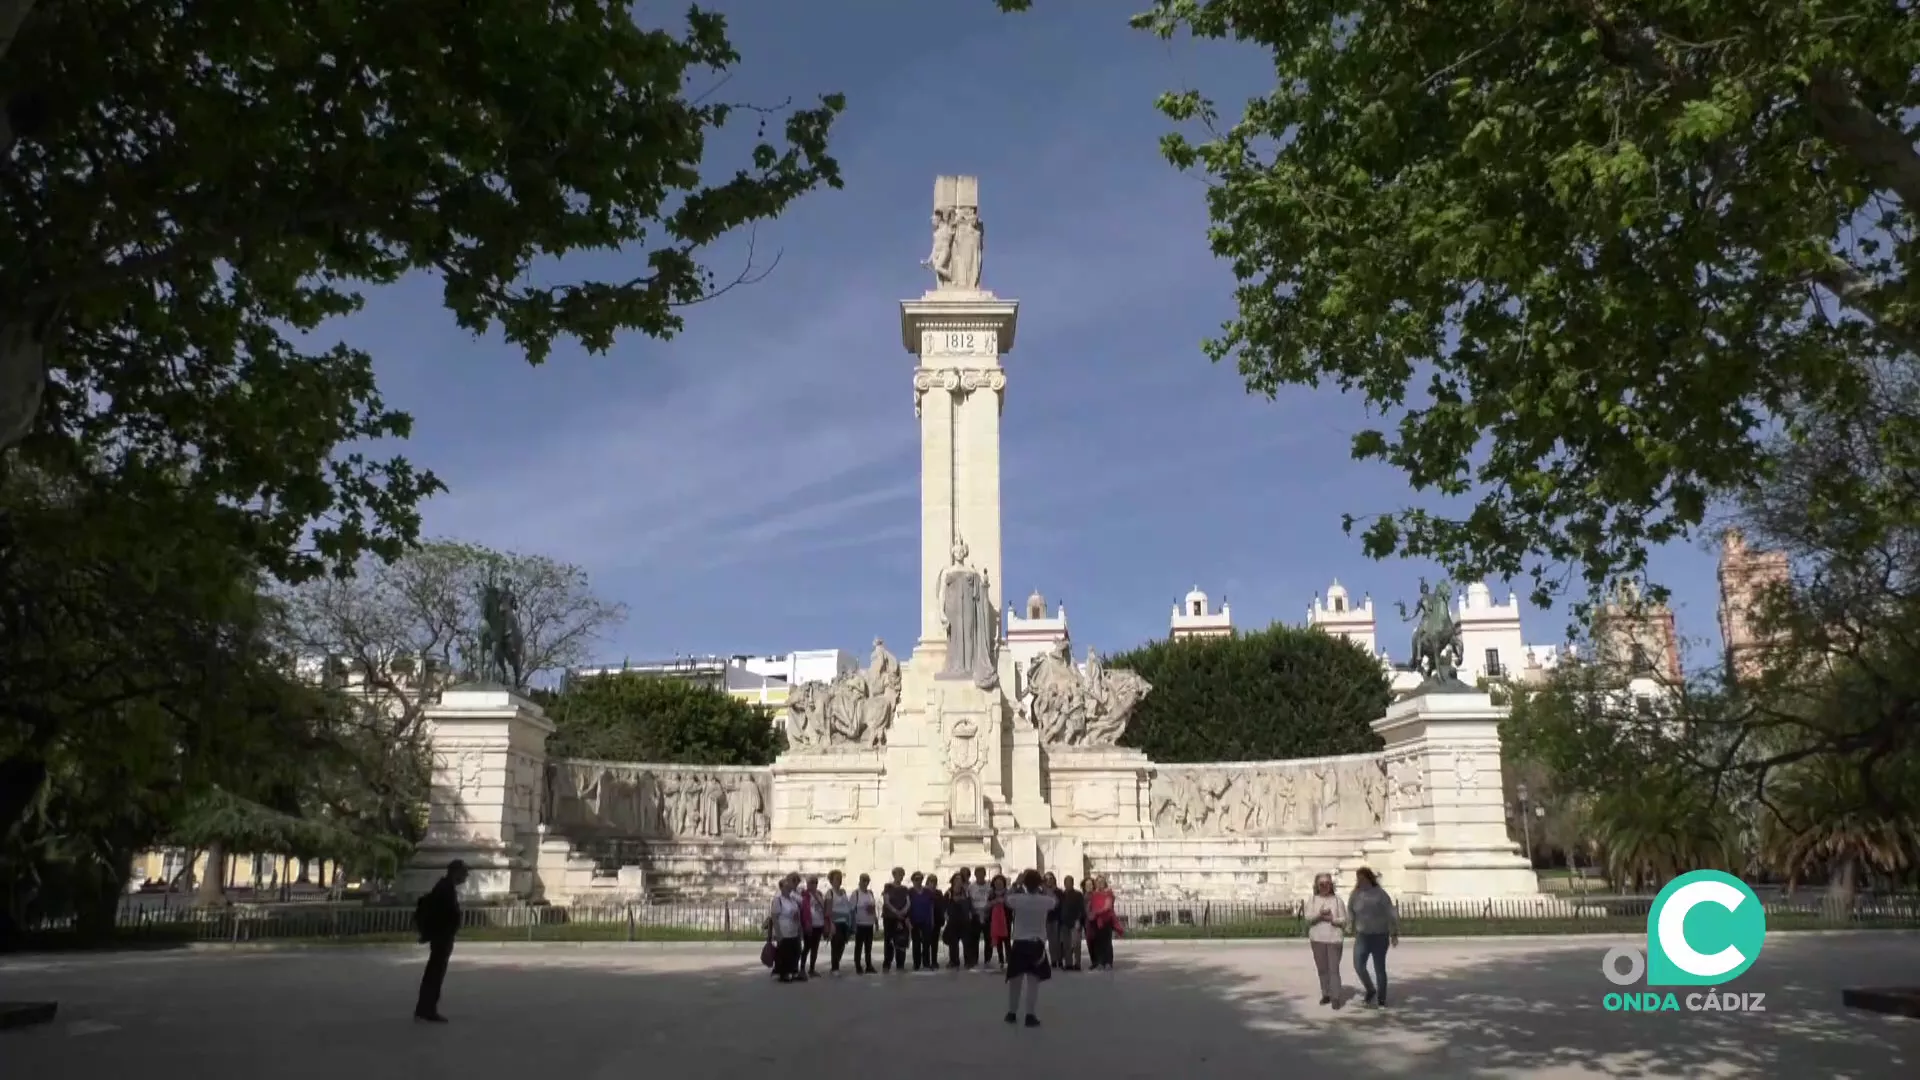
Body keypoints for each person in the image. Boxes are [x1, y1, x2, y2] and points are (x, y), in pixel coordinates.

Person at [413, 858, 468, 1022]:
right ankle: (427, 1008)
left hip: (442, 936)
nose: (465, 877)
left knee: (434, 972)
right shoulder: (444, 889)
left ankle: (425, 1007)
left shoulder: (445, 887)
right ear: (455, 872)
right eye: (464, 873)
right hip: (441, 937)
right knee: (435, 973)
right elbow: (443, 914)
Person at [1002, 870, 1058, 1027]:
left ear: (1025, 883)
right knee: (1033, 981)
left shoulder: (1017, 899)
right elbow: (1055, 900)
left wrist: (1016, 883)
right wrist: (1044, 887)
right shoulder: (1044, 900)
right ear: (1038, 883)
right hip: (1037, 944)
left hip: (1020, 943)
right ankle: (1030, 1014)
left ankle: (1012, 1012)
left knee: (1015, 981)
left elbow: (1006, 899)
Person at [1349, 866, 1400, 1007]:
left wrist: (1394, 932)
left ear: (1369, 878)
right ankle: (1370, 989)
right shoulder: (1355, 894)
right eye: (1358, 879)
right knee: (1358, 965)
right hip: (1362, 935)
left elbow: (1391, 913)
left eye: (1363, 878)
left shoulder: (1380, 894)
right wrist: (1350, 924)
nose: (1360, 881)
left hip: (1380, 935)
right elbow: (1351, 910)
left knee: (1379, 968)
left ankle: (1381, 999)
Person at [1304, 871, 1348, 1007]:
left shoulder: (1337, 900)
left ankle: (1335, 997)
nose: (1324, 886)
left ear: (1331, 885)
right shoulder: (1312, 900)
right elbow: (1308, 918)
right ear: (1317, 886)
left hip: (1334, 938)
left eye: (1327, 884)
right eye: (1321, 884)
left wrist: (1332, 919)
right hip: (1317, 938)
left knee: (1333, 969)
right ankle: (1326, 993)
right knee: (1322, 969)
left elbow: (1344, 920)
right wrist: (1319, 916)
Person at [768, 874, 807, 983]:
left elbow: (800, 908)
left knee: (796, 951)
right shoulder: (778, 899)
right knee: (785, 952)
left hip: (794, 930)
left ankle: (793, 971)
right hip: (784, 930)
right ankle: (784, 973)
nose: (790, 889)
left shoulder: (793, 899)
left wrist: (799, 927)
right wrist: (778, 933)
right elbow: (774, 917)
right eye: (788, 887)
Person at [1086, 875, 1121, 969]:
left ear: (1105, 883)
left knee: (1106, 942)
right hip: (1096, 921)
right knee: (1098, 942)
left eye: (1102, 882)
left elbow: (1108, 906)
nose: (1100, 884)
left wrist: (1097, 912)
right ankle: (1100, 962)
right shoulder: (1093, 894)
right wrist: (1090, 914)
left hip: (1106, 920)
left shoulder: (1108, 893)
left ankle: (1108, 962)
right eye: (1098, 882)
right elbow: (1090, 906)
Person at [882, 867, 911, 973]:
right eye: (898, 874)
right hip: (890, 917)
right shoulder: (888, 887)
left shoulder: (904, 889)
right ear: (894, 875)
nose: (900, 876)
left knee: (901, 941)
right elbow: (886, 901)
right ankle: (887, 964)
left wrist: (903, 911)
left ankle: (900, 965)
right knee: (889, 941)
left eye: (902, 874)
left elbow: (908, 902)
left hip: (901, 918)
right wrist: (896, 912)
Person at [908, 871, 937, 970]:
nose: (918, 881)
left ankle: (926, 963)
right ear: (912, 881)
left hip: (926, 920)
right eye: (916, 879)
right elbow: (907, 906)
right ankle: (916, 963)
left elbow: (931, 906)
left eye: (920, 879)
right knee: (916, 943)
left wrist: (932, 919)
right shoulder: (910, 892)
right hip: (914, 920)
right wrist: (908, 920)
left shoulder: (928, 891)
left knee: (926, 943)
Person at [943, 873, 973, 968]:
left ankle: (968, 962)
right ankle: (954, 961)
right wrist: (945, 916)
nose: (958, 881)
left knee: (967, 942)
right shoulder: (948, 892)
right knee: (953, 942)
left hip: (964, 920)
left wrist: (970, 914)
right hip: (953, 920)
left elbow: (969, 904)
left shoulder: (966, 892)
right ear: (953, 881)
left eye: (960, 879)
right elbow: (944, 906)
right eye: (956, 879)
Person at [800, 874, 828, 977]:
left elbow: (824, 908)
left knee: (815, 948)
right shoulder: (804, 894)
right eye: (810, 882)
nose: (812, 885)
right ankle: (802, 968)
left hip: (819, 923)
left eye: (814, 882)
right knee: (807, 947)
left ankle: (812, 968)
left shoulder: (819, 894)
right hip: (810, 924)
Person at [826, 870, 854, 973]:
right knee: (836, 943)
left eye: (840, 878)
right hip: (835, 922)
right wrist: (831, 923)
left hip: (845, 922)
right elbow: (828, 910)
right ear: (831, 881)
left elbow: (847, 906)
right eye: (837, 879)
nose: (839, 881)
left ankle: (836, 963)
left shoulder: (843, 892)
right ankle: (835, 967)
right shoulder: (830, 893)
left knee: (842, 944)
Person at [851, 873, 878, 974]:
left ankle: (868, 965)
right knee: (859, 946)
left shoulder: (870, 893)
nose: (865, 883)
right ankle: (858, 965)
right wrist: (853, 924)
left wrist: (875, 920)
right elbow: (852, 909)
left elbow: (873, 907)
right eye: (864, 880)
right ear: (860, 881)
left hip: (869, 923)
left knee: (868, 946)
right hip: (860, 923)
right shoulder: (856, 894)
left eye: (867, 881)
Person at [1058, 875, 1086, 971]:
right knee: (1066, 944)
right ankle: (1068, 964)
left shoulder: (1078, 895)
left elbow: (1081, 909)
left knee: (1076, 944)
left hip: (1075, 922)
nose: (1068, 884)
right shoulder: (1062, 895)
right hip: (1064, 923)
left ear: (1073, 883)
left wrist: (1079, 920)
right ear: (1064, 884)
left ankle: (1077, 963)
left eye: (1070, 882)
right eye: (1066, 882)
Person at [967, 866, 992, 968]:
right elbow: (969, 902)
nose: (980, 876)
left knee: (988, 938)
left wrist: (986, 911)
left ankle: (988, 959)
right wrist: (974, 912)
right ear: (975, 875)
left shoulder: (989, 887)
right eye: (978, 874)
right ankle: (974, 959)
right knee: (974, 938)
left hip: (986, 914)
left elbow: (991, 900)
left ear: (985, 875)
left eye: (982, 874)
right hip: (975, 914)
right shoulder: (971, 887)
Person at [986, 873, 1011, 970]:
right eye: (996, 883)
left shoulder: (1008, 893)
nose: (998, 884)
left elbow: (1011, 905)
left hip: (1006, 919)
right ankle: (1001, 960)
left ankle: (1009, 960)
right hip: (995, 920)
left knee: (1007, 941)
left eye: (1000, 883)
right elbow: (987, 905)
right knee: (999, 941)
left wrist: (1004, 901)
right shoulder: (991, 894)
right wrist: (995, 902)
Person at [1041, 872, 1064, 968]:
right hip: (1047, 918)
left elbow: (1059, 904)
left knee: (1057, 940)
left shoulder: (1058, 891)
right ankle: (1053, 960)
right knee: (1050, 941)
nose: (1049, 881)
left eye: (1050, 878)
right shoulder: (1043, 892)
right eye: (1046, 879)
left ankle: (1059, 960)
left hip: (1056, 918)